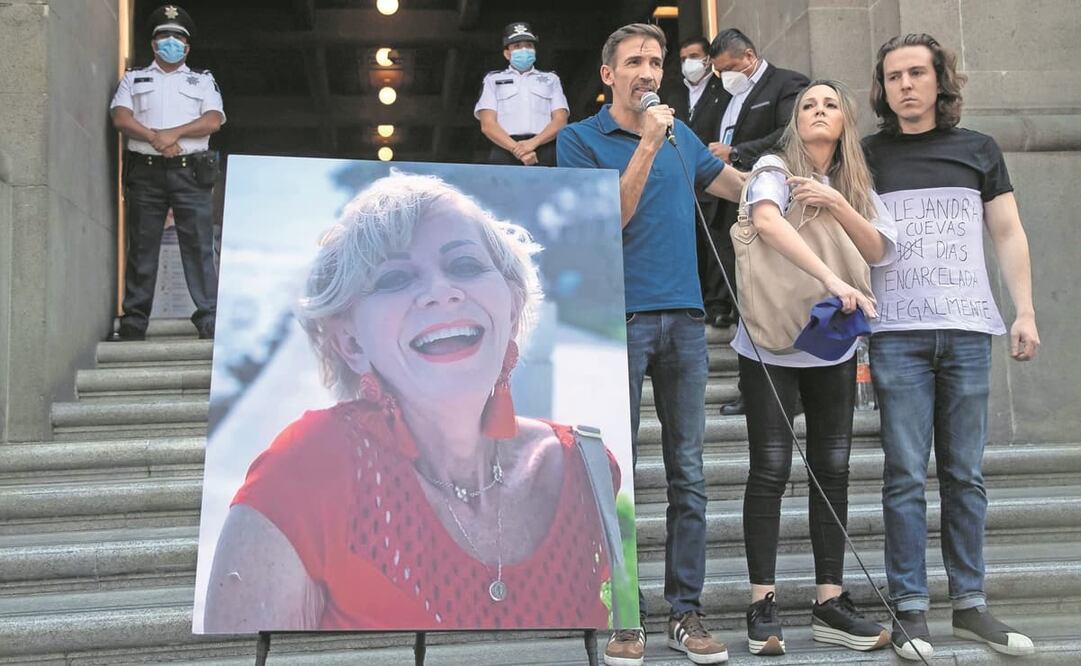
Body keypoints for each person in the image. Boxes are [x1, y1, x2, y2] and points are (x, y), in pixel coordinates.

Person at [202, 173, 623, 632]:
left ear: (513, 307)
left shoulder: (588, 467)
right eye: (396, 277)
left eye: (464, 265)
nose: (442, 291)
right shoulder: (301, 472)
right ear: (350, 343)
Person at [557, 22, 745, 666]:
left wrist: (791, 189)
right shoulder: (579, 141)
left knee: (687, 472)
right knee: (619, 477)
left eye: (656, 61)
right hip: (616, 322)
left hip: (686, 320)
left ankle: (685, 614)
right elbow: (607, 218)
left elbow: (735, 190)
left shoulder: (679, 135)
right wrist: (647, 143)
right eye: (635, 61)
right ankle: (625, 616)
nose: (648, 72)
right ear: (608, 74)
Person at [863, 34, 1039, 661]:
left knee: (964, 475)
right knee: (905, 475)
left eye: (917, 73)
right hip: (896, 335)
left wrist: (1025, 311)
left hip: (968, 329)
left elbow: (1009, 231)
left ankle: (970, 604)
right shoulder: (868, 154)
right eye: (893, 77)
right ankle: (911, 610)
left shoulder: (979, 150)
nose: (905, 85)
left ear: (940, 79)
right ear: (881, 90)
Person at [732, 81, 896, 657]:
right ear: (794, 121)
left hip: (831, 345)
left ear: (846, 121)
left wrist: (838, 203)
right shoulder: (775, 167)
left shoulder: (855, 183)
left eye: (830, 104)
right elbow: (769, 223)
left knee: (834, 467)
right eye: (807, 105)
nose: (818, 111)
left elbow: (878, 250)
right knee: (770, 469)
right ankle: (762, 603)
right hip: (770, 345)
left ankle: (830, 601)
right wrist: (832, 281)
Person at [706, 29, 810, 415]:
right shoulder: (726, 98)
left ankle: (790, 391)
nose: (724, 77)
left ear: (749, 56)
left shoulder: (786, 83)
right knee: (743, 304)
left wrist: (735, 151)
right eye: (718, 72)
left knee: (773, 301)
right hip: (733, 208)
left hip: (771, 203)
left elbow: (790, 133)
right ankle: (751, 389)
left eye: (729, 68)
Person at [109, 4, 224, 340]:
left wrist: (172, 135)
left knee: (198, 245)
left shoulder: (202, 80)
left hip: (190, 173)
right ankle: (134, 319)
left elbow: (212, 120)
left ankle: (208, 316)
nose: (170, 42)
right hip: (145, 173)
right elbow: (121, 117)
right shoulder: (133, 78)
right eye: (164, 36)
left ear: (187, 47)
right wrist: (156, 139)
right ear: (153, 43)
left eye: (177, 37)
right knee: (142, 247)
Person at [671, 36, 729, 332]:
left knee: (714, 239)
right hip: (680, 178)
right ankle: (694, 301)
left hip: (711, 174)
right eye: (683, 57)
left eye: (694, 56)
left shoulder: (724, 91)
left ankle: (718, 305)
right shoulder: (673, 93)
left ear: (708, 59)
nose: (688, 63)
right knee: (688, 240)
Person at [474, 22, 569, 167]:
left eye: (529, 46)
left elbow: (560, 120)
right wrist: (517, 149)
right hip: (504, 149)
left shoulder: (551, 79)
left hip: (543, 148)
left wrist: (532, 143)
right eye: (517, 46)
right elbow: (487, 124)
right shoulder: (493, 80)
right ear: (507, 53)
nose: (524, 50)